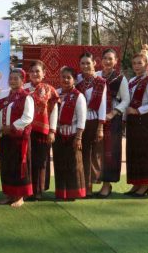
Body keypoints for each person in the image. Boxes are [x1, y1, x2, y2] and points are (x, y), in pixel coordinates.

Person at [0, 69, 34, 207]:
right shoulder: (3, 97)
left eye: (16, 78)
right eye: (11, 78)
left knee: (19, 167)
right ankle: (9, 194)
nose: (13, 81)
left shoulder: (26, 97)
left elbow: (28, 117)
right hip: (5, 137)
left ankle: (20, 196)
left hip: (20, 138)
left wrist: (11, 127)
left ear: (23, 81)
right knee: (6, 165)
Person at [96, 48, 130, 198]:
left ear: (116, 61)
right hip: (96, 117)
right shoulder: (96, 76)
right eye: (105, 58)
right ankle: (92, 181)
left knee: (109, 152)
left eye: (111, 59)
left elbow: (126, 100)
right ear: (101, 60)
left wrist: (113, 113)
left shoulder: (120, 78)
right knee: (96, 151)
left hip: (112, 118)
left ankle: (107, 184)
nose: (108, 61)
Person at [125, 53, 148, 197]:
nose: (137, 66)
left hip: (143, 121)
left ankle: (144, 185)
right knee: (133, 152)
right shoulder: (132, 80)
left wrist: (138, 110)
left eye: (140, 63)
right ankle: (136, 183)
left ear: (146, 65)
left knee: (143, 153)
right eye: (134, 63)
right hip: (133, 121)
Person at [50, 66, 87, 201]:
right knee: (60, 164)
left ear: (74, 80)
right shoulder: (56, 93)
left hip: (72, 135)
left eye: (68, 77)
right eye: (63, 77)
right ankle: (61, 192)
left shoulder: (79, 96)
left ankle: (73, 193)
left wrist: (78, 137)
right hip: (58, 135)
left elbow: (82, 118)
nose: (65, 80)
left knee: (73, 165)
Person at [23, 60, 59, 200]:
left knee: (41, 161)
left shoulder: (50, 90)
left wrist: (52, 131)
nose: (35, 74)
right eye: (32, 71)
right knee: (27, 160)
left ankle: (38, 190)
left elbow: (54, 111)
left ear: (44, 73)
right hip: (26, 131)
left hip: (43, 132)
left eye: (38, 71)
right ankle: (26, 190)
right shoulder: (24, 89)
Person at [75, 52, 107, 197]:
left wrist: (100, 127)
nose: (85, 66)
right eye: (83, 63)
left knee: (92, 155)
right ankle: (79, 185)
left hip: (93, 121)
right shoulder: (78, 81)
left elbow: (102, 106)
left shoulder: (100, 82)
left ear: (95, 63)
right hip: (79, 122)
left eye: (88, 63)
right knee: (80, 154)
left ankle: (89, 186)